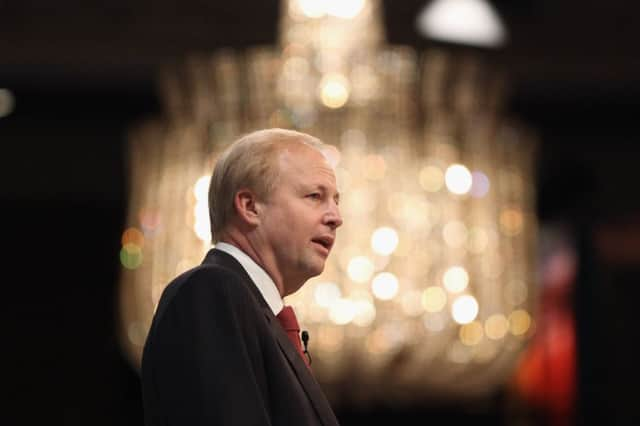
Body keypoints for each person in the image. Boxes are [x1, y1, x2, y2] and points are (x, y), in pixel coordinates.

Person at [141, 128, 343, 426]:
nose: (336, 217)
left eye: (336, 200)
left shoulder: (251, 309)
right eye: (315, 196)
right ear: (249, 207)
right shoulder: (210, 292)